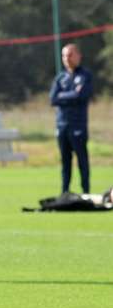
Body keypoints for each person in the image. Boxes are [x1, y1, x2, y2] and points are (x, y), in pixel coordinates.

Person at [50, 43, 92, 195]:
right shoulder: (60, 77)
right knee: (65, 162)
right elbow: (53, 99)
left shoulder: (85, 75)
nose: (66, 58)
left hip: (78, 125)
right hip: (62, 125)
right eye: (64, 55)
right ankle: (64, 193)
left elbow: (82, 96)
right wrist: (71, 94)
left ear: (78, 56)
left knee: (82, 161)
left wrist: (64, 96)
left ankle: (86, 192)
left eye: (70, 55)